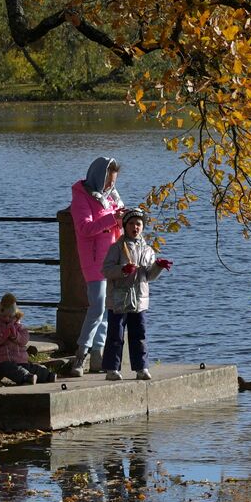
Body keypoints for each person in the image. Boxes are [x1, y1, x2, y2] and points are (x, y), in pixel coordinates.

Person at [66, 155, 124, 377]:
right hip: (93, 261)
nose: (111, 186)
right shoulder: (82, 197)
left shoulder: (112, 198)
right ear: (99, 178)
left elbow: (117, 221)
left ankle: (98, 356)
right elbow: (84, 228)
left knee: (108, 310)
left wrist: (124, 219)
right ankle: (80, 355)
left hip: (112, 260)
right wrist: (112, 220)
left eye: (114, 182)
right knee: (97, 308)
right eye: (108, 182)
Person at [99, 207, 173, 380]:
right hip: (118, 299)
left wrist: (158, 267)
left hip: (139, 300)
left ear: (143, 227)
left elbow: (149, 276)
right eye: (131, 223)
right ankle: (112, 369)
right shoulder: (116, 247)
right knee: (115, 335)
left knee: (139, 334)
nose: (135, 227)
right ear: (125, 225)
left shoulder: (148, 250)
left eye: (138, 224)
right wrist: (123, 270)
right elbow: (106, 270)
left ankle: (141, 368)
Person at [0, 293, 54, 386]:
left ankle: (47, 375)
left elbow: (24, 339)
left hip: (19, 358)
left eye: (10, 316)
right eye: (4, 316)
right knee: (11, 369)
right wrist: (2, 336)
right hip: (0, 360)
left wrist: (16, 336)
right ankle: (26, 377)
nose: (7, 319)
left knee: (29, 367)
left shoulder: (18, 327)